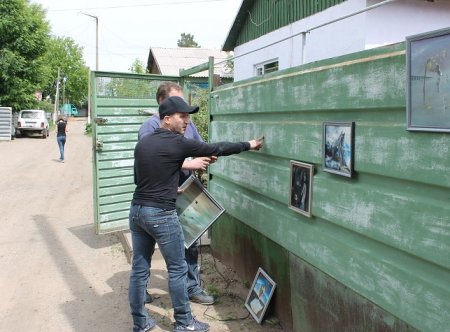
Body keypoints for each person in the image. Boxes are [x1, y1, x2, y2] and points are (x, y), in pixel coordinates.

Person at [128, 95, 263, 332]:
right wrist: (249, 144)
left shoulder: (143, 143)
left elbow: (142, 179)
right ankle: (185, 323)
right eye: (182, 116)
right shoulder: (177, 143)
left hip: (137, 211)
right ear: (167, 119)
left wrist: (173, 187)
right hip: (160, 214)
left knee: (139, 271)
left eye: (188, 116)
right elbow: (217, 148)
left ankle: (140, 324)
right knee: (178, 269)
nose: (187, 122)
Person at [139, 82, 216, 306]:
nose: (184, 110)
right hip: (160, 196)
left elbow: (198, 146)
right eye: (177, 102)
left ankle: (192, 286)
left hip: (185, 190)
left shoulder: (187, 123)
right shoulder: (149, 128)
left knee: (190, 240)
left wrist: (209, 155)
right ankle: (140, 287)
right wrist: (190, 163)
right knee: (147, 243)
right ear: (162, 103)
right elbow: (152, 158)